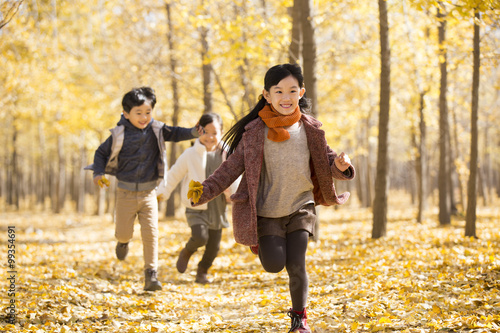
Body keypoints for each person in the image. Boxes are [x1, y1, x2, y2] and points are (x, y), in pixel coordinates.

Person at [187, 64, 355, 333]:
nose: (285, 97)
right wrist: (204, 191)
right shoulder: (254, 133)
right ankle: (262, 244)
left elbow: (328, 161)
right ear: (267, 95)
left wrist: (342, 165)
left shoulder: (310, 129)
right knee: (274, 264)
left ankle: (300, 319)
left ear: (301, 92)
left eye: (291, 90)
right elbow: (230, 168)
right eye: (279, 91)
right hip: (266, 211)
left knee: (296, 264)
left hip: (301, 206)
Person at [89, 87, 201, 291]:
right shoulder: (119, 134)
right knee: (124, 233)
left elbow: (175, 133)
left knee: (151, 234)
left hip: (149, 194)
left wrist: (193, 132)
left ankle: (151, 275)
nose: (144, 117)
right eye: (138, 113)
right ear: (126, 114)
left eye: (147, 113)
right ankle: (123, 243)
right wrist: (98, 173)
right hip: (125, 194)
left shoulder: (156, 130)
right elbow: (100, 153)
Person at [157, 113, 239, 284]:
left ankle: (202, 271)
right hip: (196, 204)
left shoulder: (227, 153)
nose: (210, 137)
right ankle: (187, 251)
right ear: (199, 131)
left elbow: (236, 177)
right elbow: (173, 175)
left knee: (214, 246)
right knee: (200, 236)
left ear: (222, 132)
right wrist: (162, 193)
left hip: (218, 205)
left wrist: (234, 195)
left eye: (215, 133)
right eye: (206, 132)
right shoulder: (190, 154)